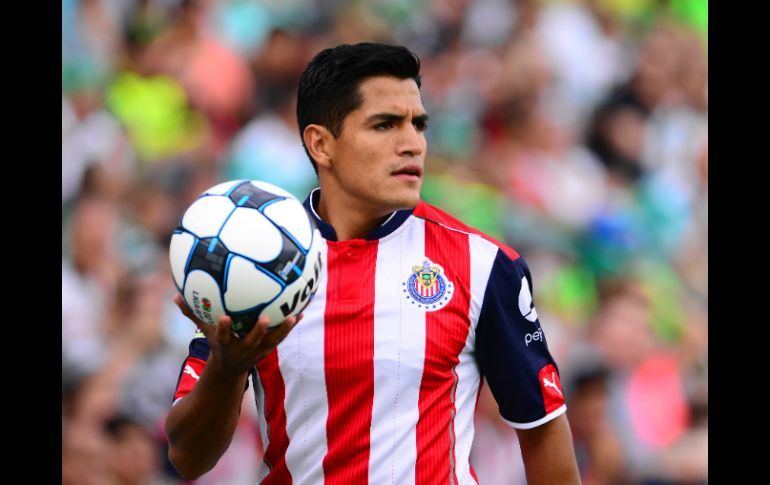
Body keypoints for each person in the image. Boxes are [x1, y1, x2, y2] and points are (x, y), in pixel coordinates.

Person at [165, 42, 580, 484]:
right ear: (321, 144)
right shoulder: (252, 265)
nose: (413, 144)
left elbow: (542, 429)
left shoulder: (483, 264)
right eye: (385, 125)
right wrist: (227, 368)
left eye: (418, 125)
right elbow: (188, 458)